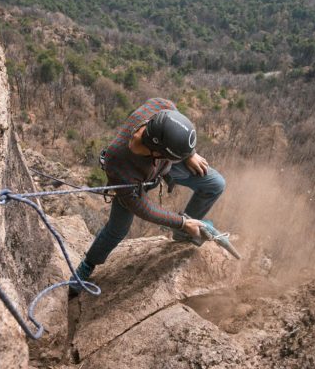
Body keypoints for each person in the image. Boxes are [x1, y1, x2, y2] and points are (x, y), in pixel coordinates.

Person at [72, 98, 226, 285]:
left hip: (164, 166)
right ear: (157, 151)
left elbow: (171, 110)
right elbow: (141, 208)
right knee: (116, 230)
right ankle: (88, 264)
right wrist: (181, 222)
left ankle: (184, 234)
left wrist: (189, 154)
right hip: (135, 182)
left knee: (215, 184)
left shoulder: (159, 109)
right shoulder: (119, 162)